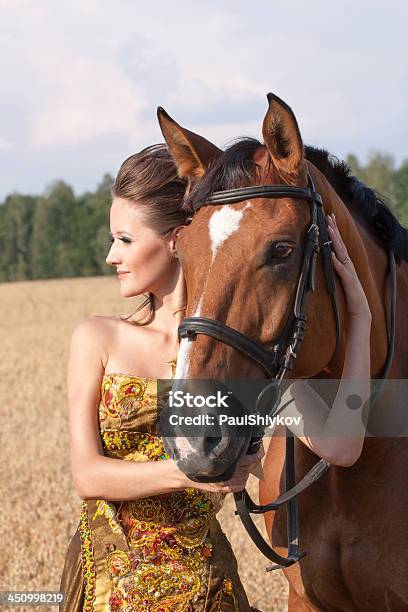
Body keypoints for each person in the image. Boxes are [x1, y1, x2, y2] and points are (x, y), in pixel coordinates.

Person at [59, 144, 262, 612]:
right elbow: (86, 475)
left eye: (125, 240)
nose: (111, 255)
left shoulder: (227, 359)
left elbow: (331, 442)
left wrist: (361, 311)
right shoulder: (97, 337)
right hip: (112, 588)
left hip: (208, 587)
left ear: (175, 240)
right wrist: (189, 474)